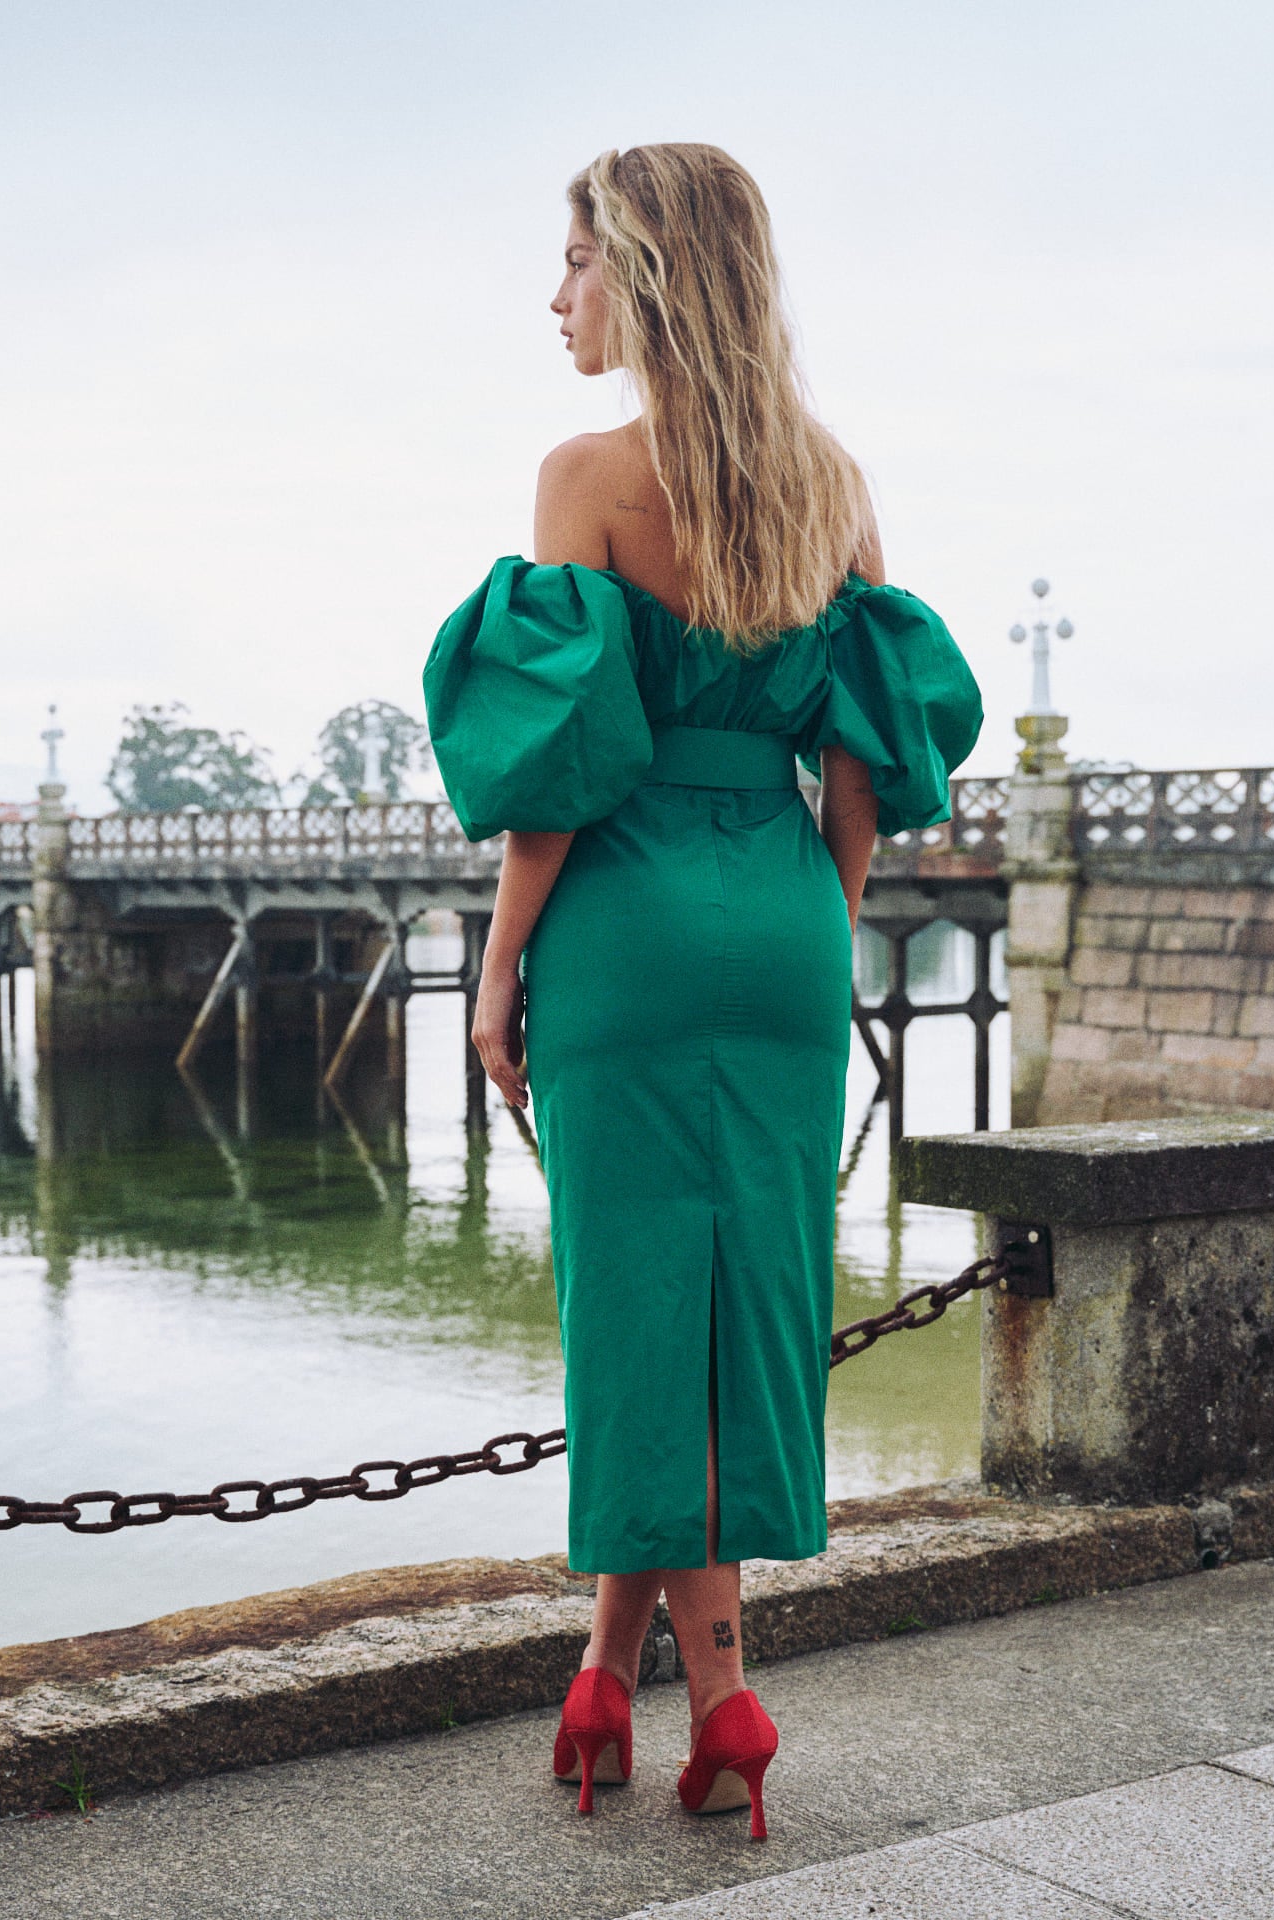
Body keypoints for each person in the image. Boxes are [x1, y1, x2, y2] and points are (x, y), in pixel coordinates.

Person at [423, 143, 982, 1842]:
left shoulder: (587, 475)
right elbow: (871, 767)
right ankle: (607, 1676)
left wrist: (503, 964)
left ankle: (726, 1689)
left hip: (629, 917)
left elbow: (564, 771)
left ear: (646, 273)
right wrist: (816, 917)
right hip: (789, 919)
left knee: (633, 1306)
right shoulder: (833, 482)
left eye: (575, 258)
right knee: (739, 1297)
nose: (557, 292)